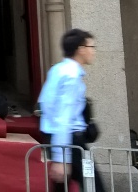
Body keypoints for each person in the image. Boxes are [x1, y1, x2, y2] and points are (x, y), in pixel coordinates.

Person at [38, 28, 104, 191]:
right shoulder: (72, 76)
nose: (93, 52)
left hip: (59, 139)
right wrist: (62, 158)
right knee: (95, 187)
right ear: (81, 50)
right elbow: (63, 117)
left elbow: (43, 104)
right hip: (71, 142)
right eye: (91, 47)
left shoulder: (57, 70)